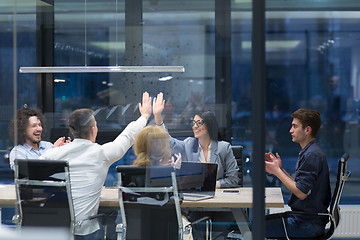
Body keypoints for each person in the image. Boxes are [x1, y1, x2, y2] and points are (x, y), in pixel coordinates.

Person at [39, 92, 152, 240]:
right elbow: (127, 136)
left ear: (72, 131)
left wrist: (54, 150)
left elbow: (32, 172)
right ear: (93, 130)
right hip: (84, 231)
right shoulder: (101, 153)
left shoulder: (53, 154)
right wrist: (144, 116)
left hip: (54, 229)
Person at [264, 108, 331, 239]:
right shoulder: (310, 151)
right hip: (304, 220)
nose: (290, 130)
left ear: (307, 130)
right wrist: (280, 169)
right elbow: (299, 185)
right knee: (255, 224)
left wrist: (277, 171)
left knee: (253, 228)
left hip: (306, 224)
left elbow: (301, 192)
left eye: (295, 126)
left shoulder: (312, 154)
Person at [152, 92, 239, 188]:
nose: (195, 126)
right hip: (194, 195)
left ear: (209, 125)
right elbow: (169, 142)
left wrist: (213, 184)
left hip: (218, 197)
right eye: (193, 123)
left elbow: (233, 179)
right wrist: (158, 117)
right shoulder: (188, 144)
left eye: (199, 123)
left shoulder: (224, 148)